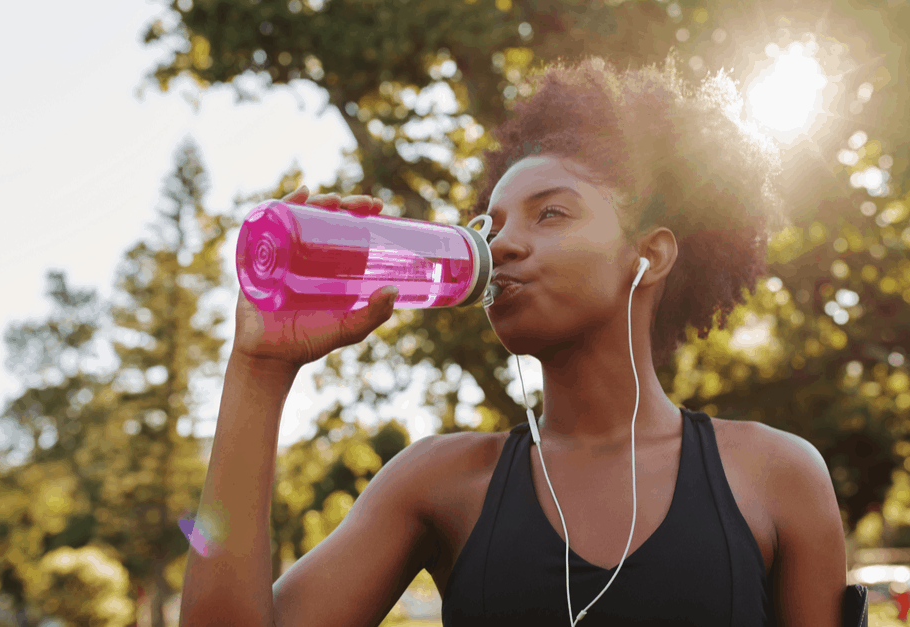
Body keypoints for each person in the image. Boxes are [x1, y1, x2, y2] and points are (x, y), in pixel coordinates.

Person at [179, 53, 849, 627]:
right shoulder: (438, 482)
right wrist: (258, 369)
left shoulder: (775, 475)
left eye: (550, 213)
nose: (501, 246)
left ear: (648, 256)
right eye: (491, 226)